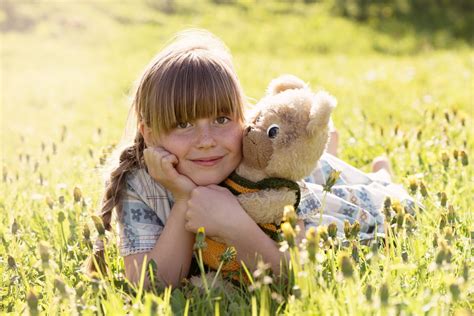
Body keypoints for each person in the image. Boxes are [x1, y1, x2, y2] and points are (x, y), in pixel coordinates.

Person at [86, 29, 416, 288]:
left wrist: (237, 227)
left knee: (392, 201)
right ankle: (331, 148)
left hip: (319, 184)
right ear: (150, 133)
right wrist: (186, 199)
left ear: (242, 118)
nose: (206, 142)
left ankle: (365, 166)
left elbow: (294, 275)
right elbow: (152, 284)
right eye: (183, 124)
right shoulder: (141, 182)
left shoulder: (265, 168)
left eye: (221, 120)